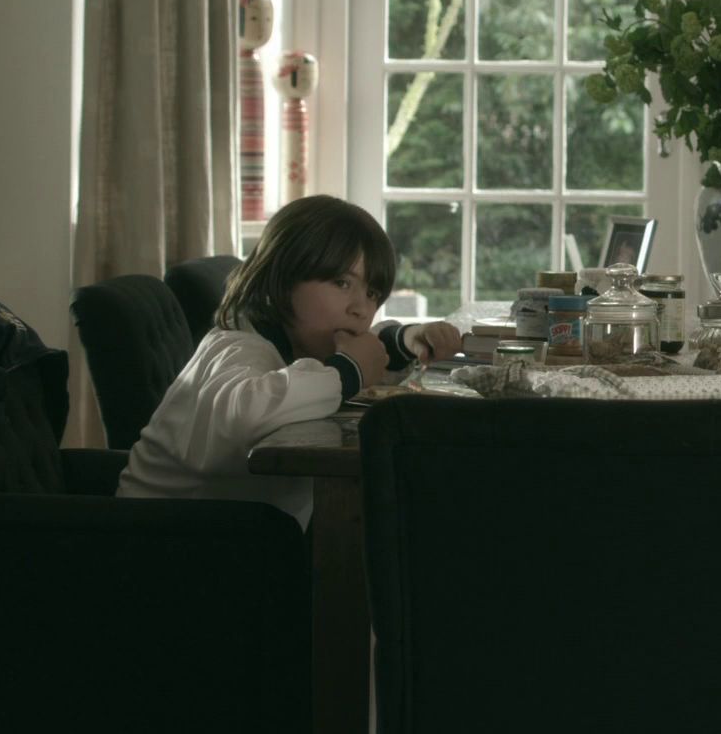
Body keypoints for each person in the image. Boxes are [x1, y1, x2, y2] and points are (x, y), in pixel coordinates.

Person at [117, 195, 463, 528]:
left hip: (235, 534)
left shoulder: (301, 343)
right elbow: (245, 417)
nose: (361, 308)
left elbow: (354, 359)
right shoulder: (236, 346)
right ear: (282, 281)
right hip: (166, 541)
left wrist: (403, 341)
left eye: (372, 292)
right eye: (342, 282)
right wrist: (348, 371)